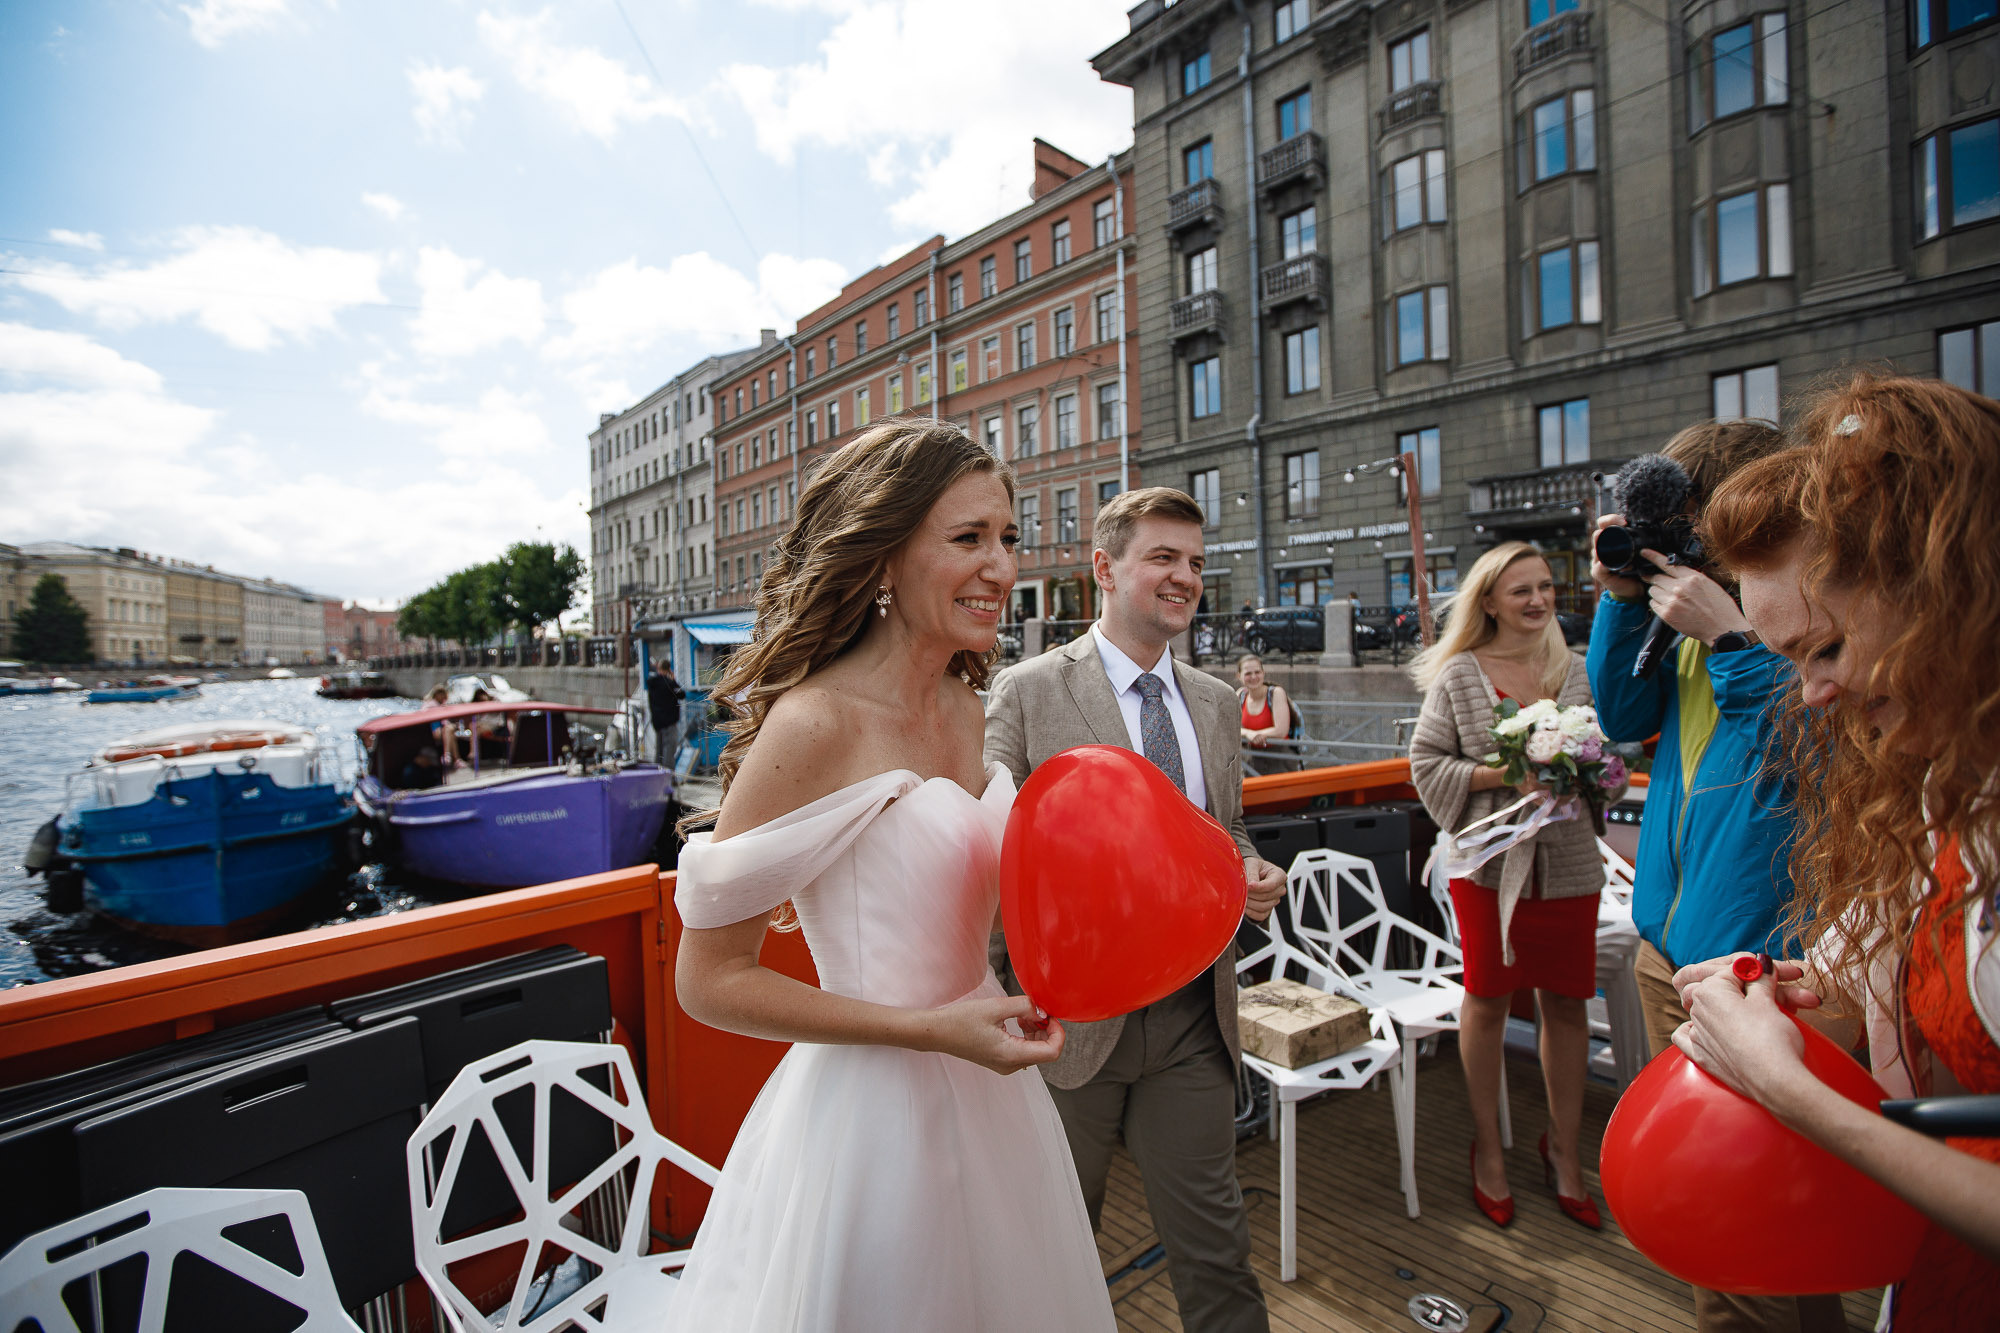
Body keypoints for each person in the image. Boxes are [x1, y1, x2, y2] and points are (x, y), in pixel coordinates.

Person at [669, 419, 1115, 1331]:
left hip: (994, 1089)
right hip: (873, 1123)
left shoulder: (967, 706)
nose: (1001, 566)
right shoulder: (815, 722)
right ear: (883, 556)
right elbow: (707, 979)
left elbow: (967, 905)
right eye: (968, 537)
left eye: (1008, 536)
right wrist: (924, 1030)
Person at [1672, 374, 2000, 1330]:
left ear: (1949, 592)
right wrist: (1803, 991)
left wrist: (1789, 1090)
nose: (1813, 696)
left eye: (1824, 648)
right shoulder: (1943, 789)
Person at [985, 486, 1286, 1333]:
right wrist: (1008, 989)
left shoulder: (1216, 702)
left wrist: (1252, 869)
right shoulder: (1026, 691)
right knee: (1052, 1252)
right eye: (1163, 557)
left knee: (1217, 1251)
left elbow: (1224, 830)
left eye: (1195, 562)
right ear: (1104, 568)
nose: (1185, 576)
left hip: (1192, 1016)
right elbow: (988, 847)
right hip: (1067, 1023)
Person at [1584, 421, 1835, 1330]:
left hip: (1761, 968)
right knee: (1715, 1213)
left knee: (1755, 1233)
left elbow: (1809, 756)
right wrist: (1623, 598)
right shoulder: (1683, 618)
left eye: (1687, 518)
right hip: (1673, 953)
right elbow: (1621, 715)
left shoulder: (1800, 619)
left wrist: (1734, 640)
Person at [1408, 542, 1612, 1231]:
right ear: (1489, 601)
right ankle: (1489, 1149)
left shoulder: (1574, 669)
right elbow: (1426, 762)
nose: (1538, 600)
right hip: (1489, 870)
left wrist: (1587, 769)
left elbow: (1600, 760)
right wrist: (1507, 772)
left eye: (1546, 587)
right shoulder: (1460, 675)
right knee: (1488, 1000)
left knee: (1568, 1003)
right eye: (1521, 589)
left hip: (1571, 865)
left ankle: (1566, 1150)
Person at [1236, 653, 1295, 776]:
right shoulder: (1240, 695)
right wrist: (1249, 734)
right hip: (1250, 759)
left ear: (1263, 673)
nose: (1253, 677)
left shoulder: (1276, 693)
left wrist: (1256, 735)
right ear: (1239, 676)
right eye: (1248, 673)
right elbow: (1230, 728)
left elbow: (1281, 731)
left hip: (1278, 758)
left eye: (1257, 672)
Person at [645, 657, 685, 764]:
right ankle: (668, 772)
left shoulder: (652, 683)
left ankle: (657, 770)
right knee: (669, 749)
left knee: (659, 749)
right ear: (668, 669)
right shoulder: (669, 683)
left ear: (658, 668)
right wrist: (674, 680)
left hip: (657, 721)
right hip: (669, 721)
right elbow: (682, 694)